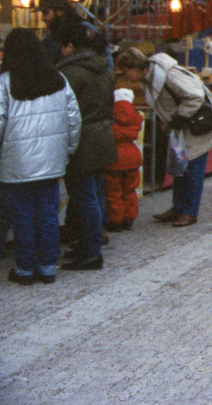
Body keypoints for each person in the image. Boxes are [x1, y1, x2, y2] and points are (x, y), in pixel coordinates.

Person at [0, 28, 81, 285]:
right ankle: (47, 267)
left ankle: (24, 269)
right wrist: (67, 152)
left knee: (22, 216)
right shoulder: (58, 79)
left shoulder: (4, 82)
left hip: (16, 164)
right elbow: (74, 121)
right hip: (52, 163)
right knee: (47, 215)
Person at [115, 47, 212, 228]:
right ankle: (178, 208)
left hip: (197, 126)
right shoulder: (149, 78)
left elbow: (195, 96)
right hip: (182, 129)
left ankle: (189, 212)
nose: (125, 76)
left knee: (193, 169)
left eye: (125, 71)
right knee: (180, 167)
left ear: (136, 68)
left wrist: (178, 117)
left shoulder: (169, 75)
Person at [55, 20, 118, 270]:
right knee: (92, 194)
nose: (60, 51)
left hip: (83, 139)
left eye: (62, 46)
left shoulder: (71, 72)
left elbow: (66, 111)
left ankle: (92, 251)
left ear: (71, 46)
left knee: (84, 197)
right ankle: (88, 243)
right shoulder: (103, 68)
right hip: (101, 135)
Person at [103, 89, 143, 232]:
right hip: (132, 157)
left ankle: (116, 220)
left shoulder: (110, 117)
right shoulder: (135, 117)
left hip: (114, 158)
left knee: (114, 192)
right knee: (130, 190)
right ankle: (129, 219)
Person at [36, 0, 86, 65]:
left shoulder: (83, 29)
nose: (42, 18)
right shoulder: (50, 40)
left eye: (46, 13)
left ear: (60, 11)